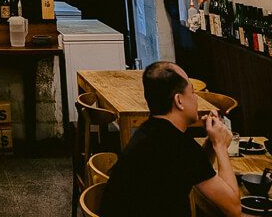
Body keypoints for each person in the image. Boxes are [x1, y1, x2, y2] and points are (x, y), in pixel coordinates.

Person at [101, 61, 241, 217]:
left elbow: (195, 171)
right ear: (179, 100)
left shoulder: (149, 131)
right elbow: (234, 208)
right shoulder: (179, 146)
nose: (196, 99)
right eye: (193, 92)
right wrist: (220, 146)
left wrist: (210, 141)